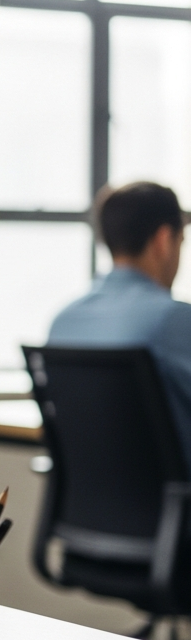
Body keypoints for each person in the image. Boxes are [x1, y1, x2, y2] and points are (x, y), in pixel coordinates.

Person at [48, 181, 191, 472]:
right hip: (176, 509)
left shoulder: (62, 322)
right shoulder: (174, 320)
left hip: (91, 512)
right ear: (164, 241)